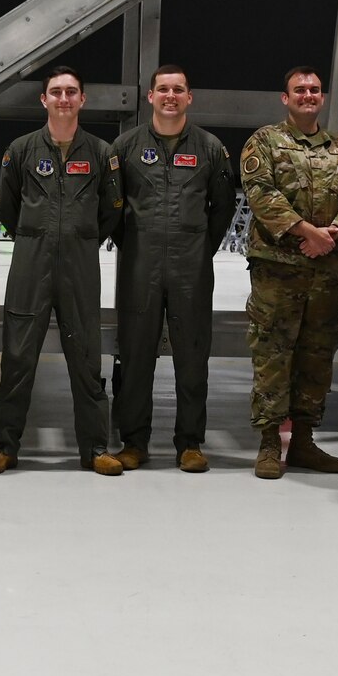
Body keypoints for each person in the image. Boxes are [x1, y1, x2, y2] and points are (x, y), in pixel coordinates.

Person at [0, 65, 126, 475]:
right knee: (17, 357)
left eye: (71, 92)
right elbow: (6, 207)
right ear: (43, 99)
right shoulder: (22, 149)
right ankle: (3, 447)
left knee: (86, 360)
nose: (64, 99)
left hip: (80, 265)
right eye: (56, 92)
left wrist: (82, 236)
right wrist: (34, 236)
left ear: (83, 99)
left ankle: (96, 448)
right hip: (31, 261)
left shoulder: (101, 152)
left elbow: (112, 208)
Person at [239, 66, 338, 479]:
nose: (308, 95)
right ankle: (267, 444)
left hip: (324, 273)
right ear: (286, 97)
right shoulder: (264, 141)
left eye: (314, 90)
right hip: (278, 273)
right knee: (272, 354)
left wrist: (335, 231)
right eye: (300, 89)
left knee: (317, 356)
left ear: (322, 97)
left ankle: (303, 441)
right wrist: (305, 231)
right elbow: (260, 191)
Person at [111, 64, 236, 471]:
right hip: (139, 267)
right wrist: (133, 245)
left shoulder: (210, 148)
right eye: (162, 89)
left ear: (188, 97)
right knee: (134, 354)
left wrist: (200, 247)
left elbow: (222, 208)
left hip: (191, 268)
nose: (170, 96)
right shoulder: (125, 147)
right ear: (150, 96)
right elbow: (113, 206)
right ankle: (134, 441)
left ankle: (190, 443)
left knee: (193, 354)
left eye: (178, 89)